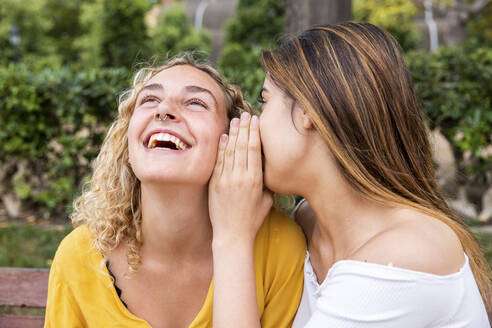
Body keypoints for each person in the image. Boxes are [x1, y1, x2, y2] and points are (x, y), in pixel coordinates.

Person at [209, 22, 491, 327]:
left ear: (308, 111)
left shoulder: (403, 256)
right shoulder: (307, 222)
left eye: (266, 100)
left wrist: (231, 237)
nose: (253, 122)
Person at [44, 56, 306, 328]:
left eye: (196, 103)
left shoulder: (279, 248)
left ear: (235, 142)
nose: (164, 110)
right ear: (127, 148)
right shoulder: (80, 255)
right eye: (149, 100)